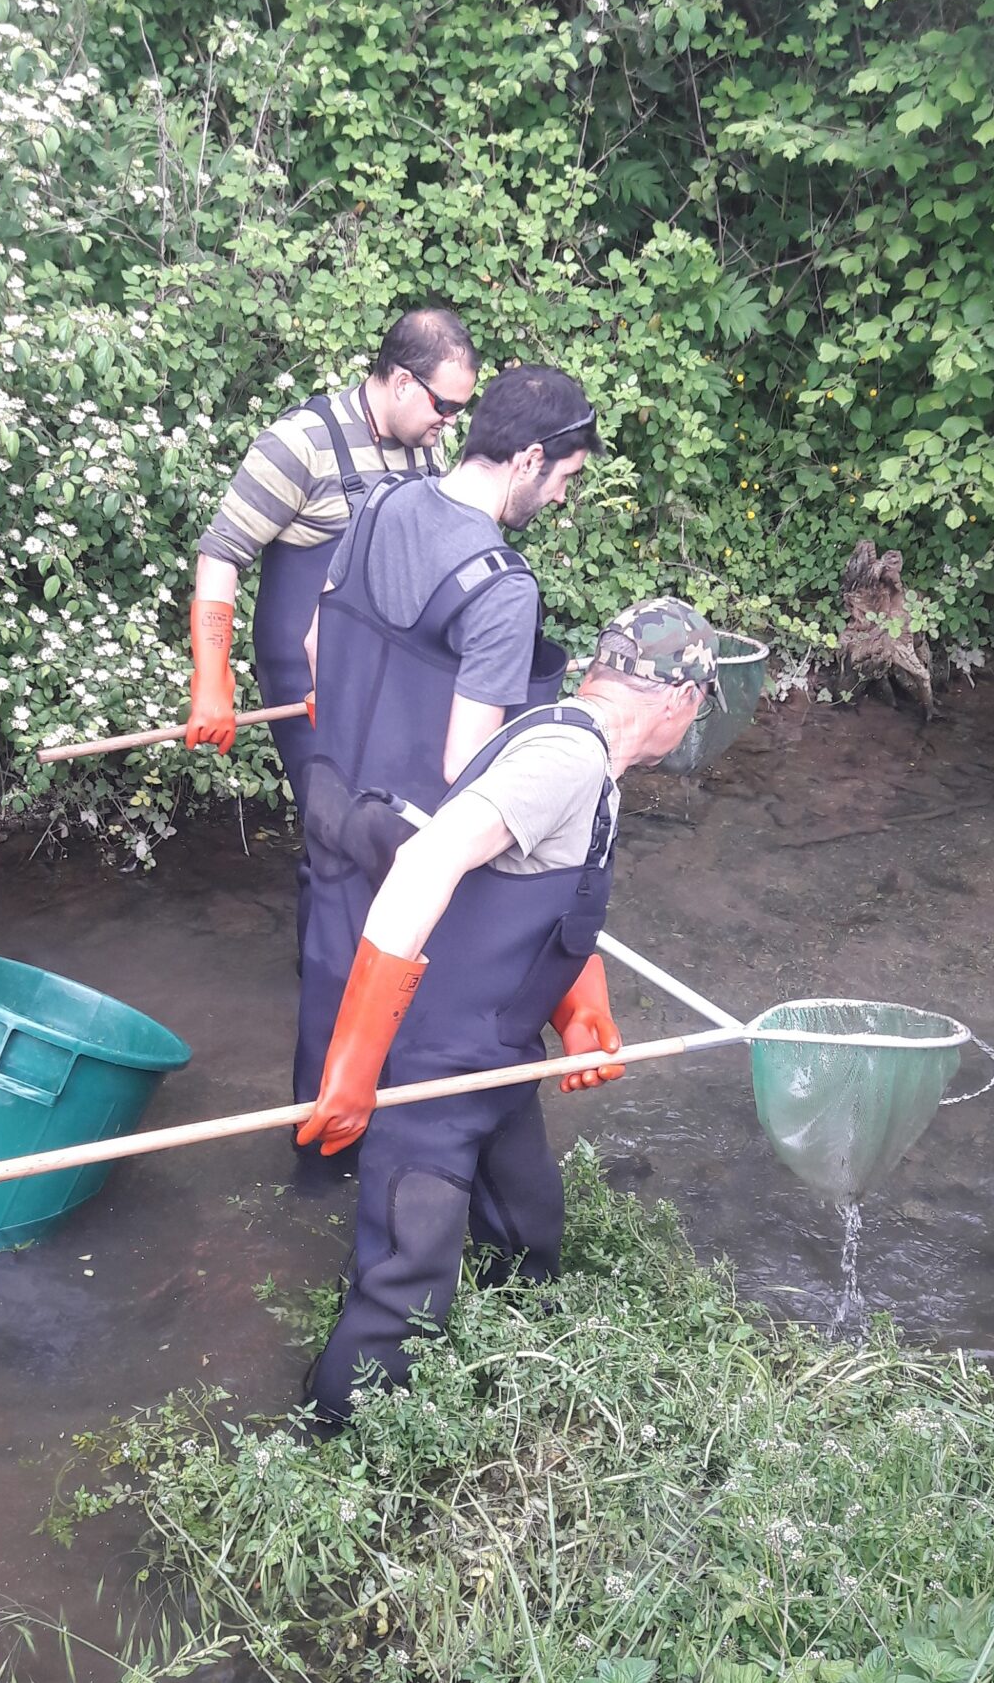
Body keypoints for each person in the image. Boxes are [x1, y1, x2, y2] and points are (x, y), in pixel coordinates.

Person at [295, 599, 719, 1427]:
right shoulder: (563, 757)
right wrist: (353, 1064)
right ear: (680, 701)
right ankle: (331, 1450)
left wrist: (580, 1004)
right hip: (435, 1063)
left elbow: (536, 894)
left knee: (526, 1237)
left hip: (500, 1052)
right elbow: (424, 865)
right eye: (699, 705)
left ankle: (508, 1396)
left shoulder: (590, 757)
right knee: (404, 1288)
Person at [291, 363, 595, 1108]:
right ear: (528, 459)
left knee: (328, 1013)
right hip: (412, 843)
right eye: (564, 477)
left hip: (332, 806)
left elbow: (310, 649)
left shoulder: (377, 505)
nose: (563, 495)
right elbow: (469, 765)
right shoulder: (501, 585)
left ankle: (306, 1179)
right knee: (410, 1060)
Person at [184, 307, 480, 809]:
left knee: (405, 824)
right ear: (404, 382)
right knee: (338, 832)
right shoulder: (299, 444)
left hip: (388, 676)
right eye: (444, 406)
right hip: (307, 684)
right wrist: (212, 680)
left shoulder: (425, 447)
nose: (449, 423)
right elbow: (220, 555)